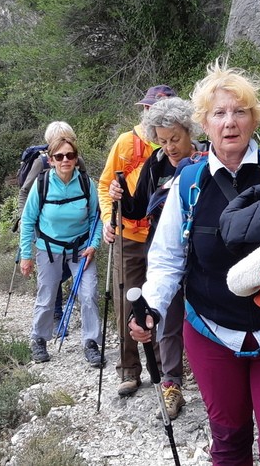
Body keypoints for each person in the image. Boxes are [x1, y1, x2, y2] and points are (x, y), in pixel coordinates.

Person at [132, 60, 260, 465]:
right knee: (228, 443)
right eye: (219, 113)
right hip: (211, 332)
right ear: (204, 124)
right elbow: (167, 259)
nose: (230, 122)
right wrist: (154, 309)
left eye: (240, 111)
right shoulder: (188, 185)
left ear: (254, 118)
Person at [107, 96, 204, 419]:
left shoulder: (207, 158)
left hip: (205, 254)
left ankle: (212, 382)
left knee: (206, 320)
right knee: (168, 323)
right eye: (162, 140)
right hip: (164, 256)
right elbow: (137, 209)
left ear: (190, 131)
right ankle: (171, 385)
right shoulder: (157, 163)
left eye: (175, 139)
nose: (170, 147)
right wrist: (119, 196)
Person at [99, 84, 177, 397]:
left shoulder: (175, 146)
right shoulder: (126, 143)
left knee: (162, 302)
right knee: (126, 302)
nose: (151, 114)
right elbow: (106, 185)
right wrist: (108, 218)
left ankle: (166, 371)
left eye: (158, 109)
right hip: (129, 235)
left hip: (163, 236)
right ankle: (129, 370)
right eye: (148, 109)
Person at [20, 131, 104, 368]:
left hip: (81, 249)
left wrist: (93, 245)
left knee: (88, 294)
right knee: (46, 295)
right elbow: (28, 220)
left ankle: (91, 343)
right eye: (59, 156)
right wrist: (26, 255)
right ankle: (39, 339)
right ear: (51, 159)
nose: (65, 160)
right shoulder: (42, 184)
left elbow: (96, 218)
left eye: (71, 155)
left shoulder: (87, 184)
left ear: (76, 158)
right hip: (49, 249)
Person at [16, 122, 90, 332]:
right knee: (52, 270)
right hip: (44, 224)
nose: (65, 158)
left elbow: (83, 186)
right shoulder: (41, 163)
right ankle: (55, 314)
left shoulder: (78, 162)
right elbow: (25, 191)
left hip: (73, 232)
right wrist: (25, 218)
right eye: (58, 153)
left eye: (70, 147)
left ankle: (58, 310)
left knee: (62, 271)